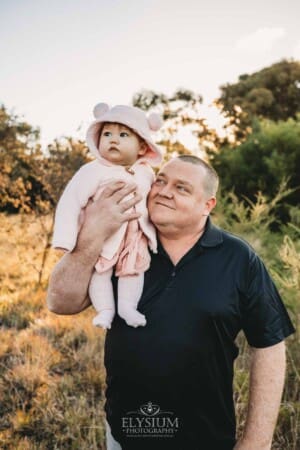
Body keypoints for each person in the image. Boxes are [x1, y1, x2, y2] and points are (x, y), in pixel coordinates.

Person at [47, 155, 295, 450]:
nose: (164, 191)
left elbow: (269, 343)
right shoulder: (121, 241)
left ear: (207, 205)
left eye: (181, 188)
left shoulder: (238, 258)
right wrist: (94, 232)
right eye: (160, 181)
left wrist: (257, 442)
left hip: (207, 439)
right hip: (128, 435)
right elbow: (60, 302)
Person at [52, 103, 162, 329]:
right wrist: (66, 239)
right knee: (100, 271)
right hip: (104, 236)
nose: (113, 140)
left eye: (123, 135)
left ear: (142, 148)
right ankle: (105, 311)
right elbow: (70, 202)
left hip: (134, 237)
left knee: (133, 269)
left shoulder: (147, 173)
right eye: (107, 134)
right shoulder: (92, 171)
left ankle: (127, 307)